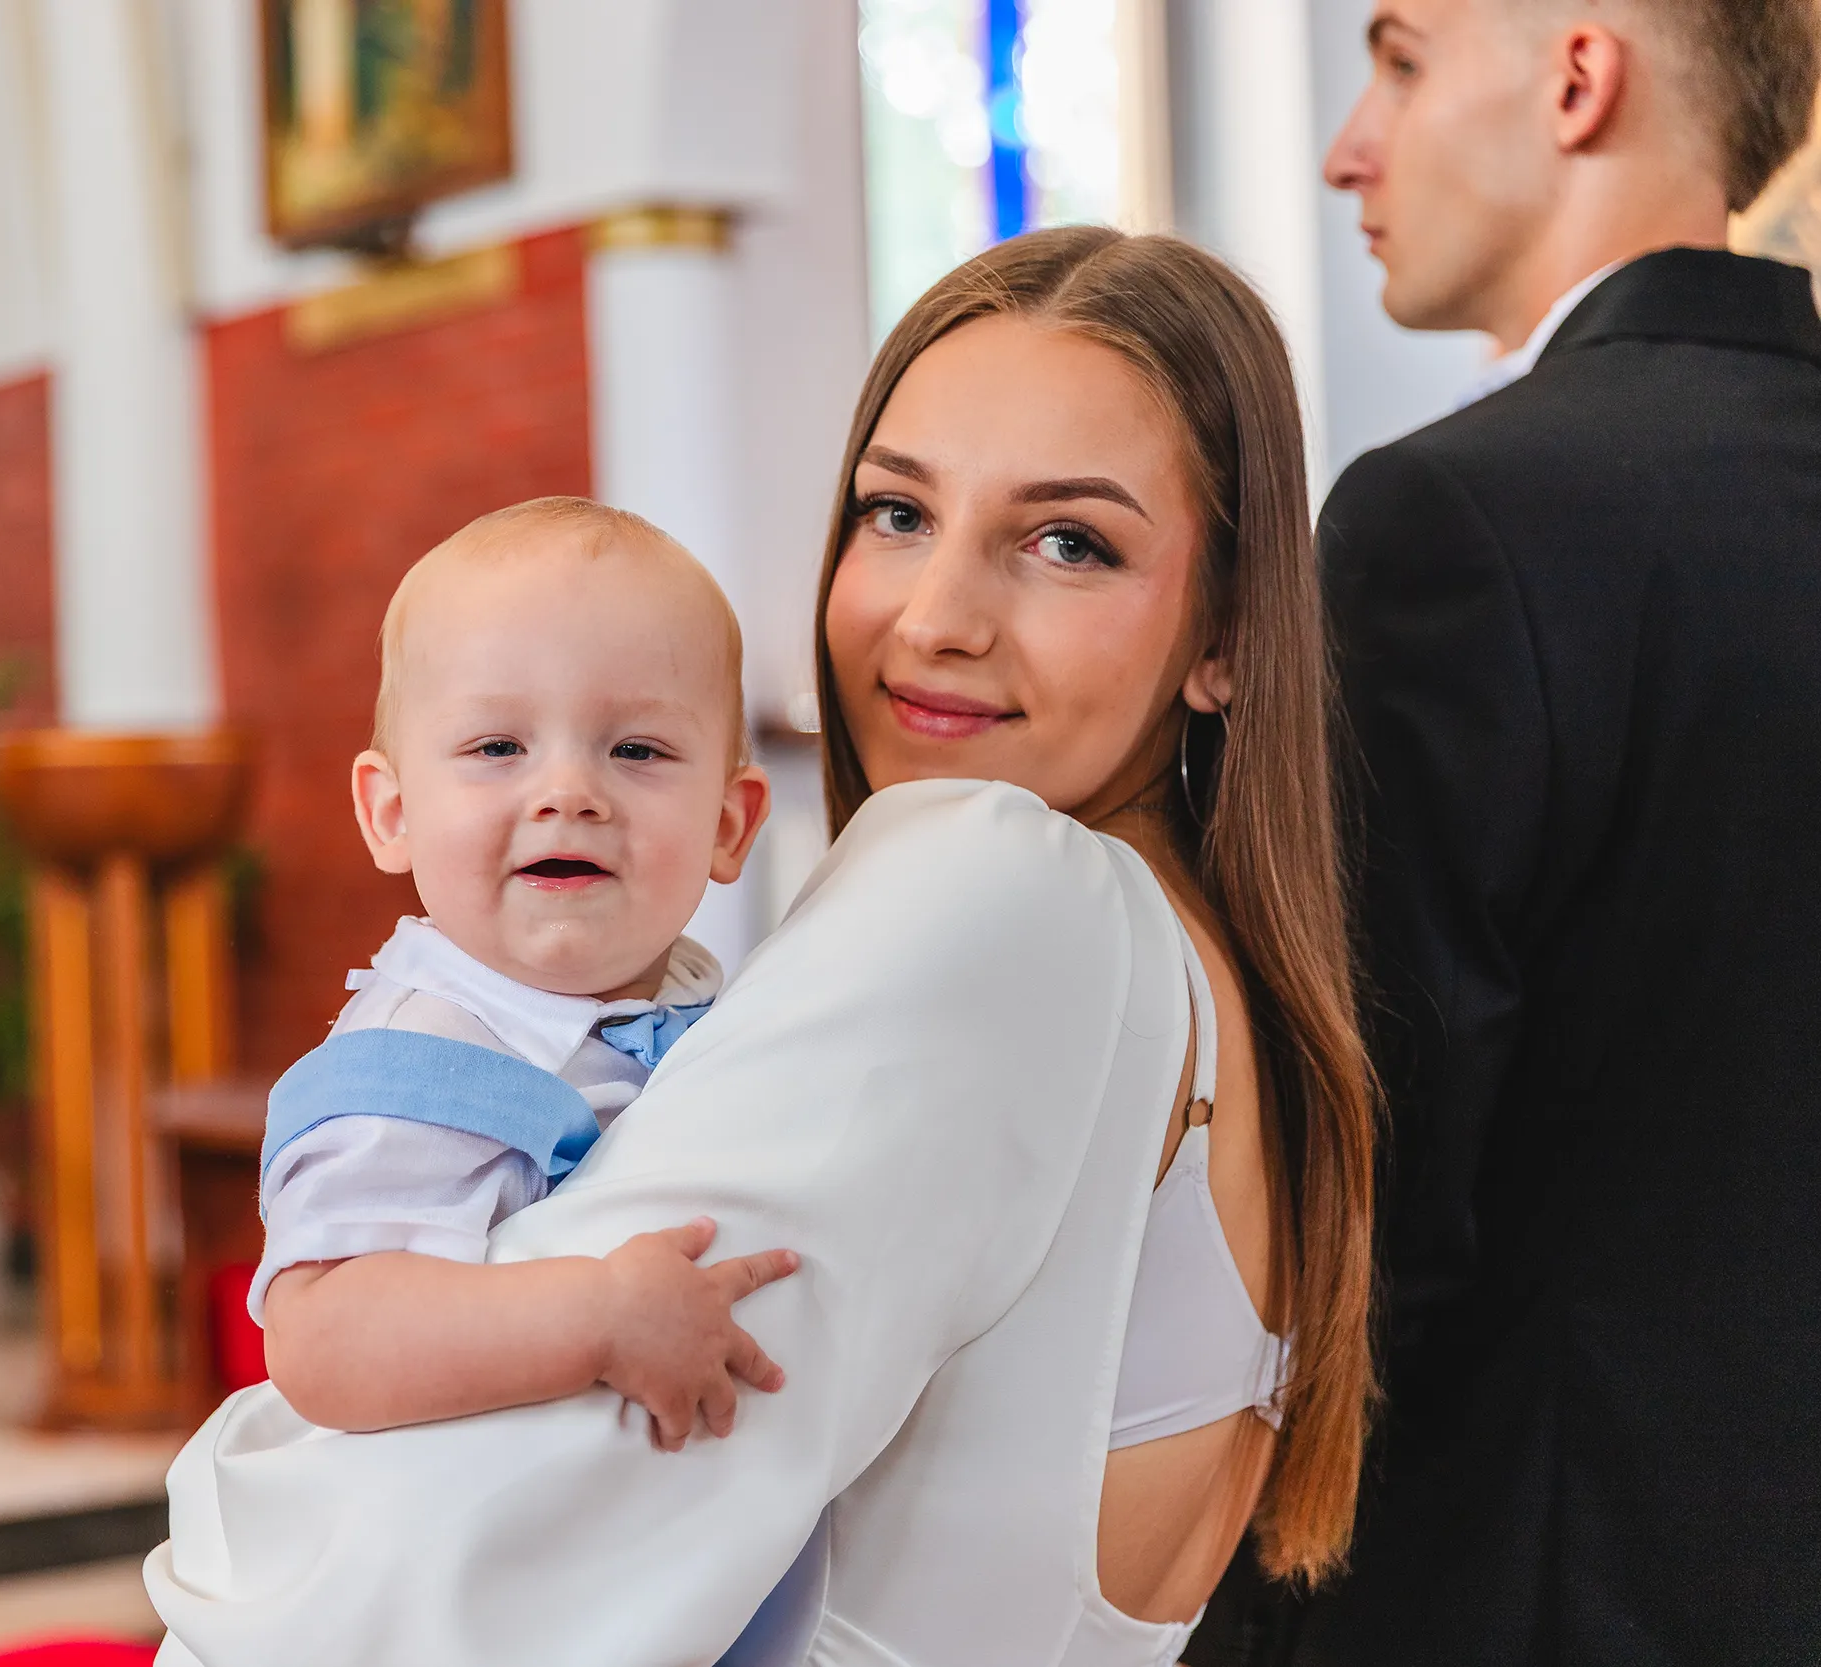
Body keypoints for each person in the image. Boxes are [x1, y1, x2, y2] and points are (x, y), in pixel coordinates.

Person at [145, 227, 1376, 1667]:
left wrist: (236, 1505)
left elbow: (444, 1550)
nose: (935, 619)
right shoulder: (1209, 979)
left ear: (1226, 630)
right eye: (896, 514)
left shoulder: (1003, 887)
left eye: (1066, 542)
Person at [1191, 2, 1821, 1663]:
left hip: (1538, 1578)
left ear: (1576, 74)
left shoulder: (1461, 517)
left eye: (1397, 58)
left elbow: (1375, 1185)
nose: (1349, 143)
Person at [254, 496, 798, 1453]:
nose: (568, 793)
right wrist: (598, 1317)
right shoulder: (419, 1059)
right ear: (391, 812)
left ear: (728, 824)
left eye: (637, 749)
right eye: (498, 747)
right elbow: (324, 1334)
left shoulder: (725, 1008)